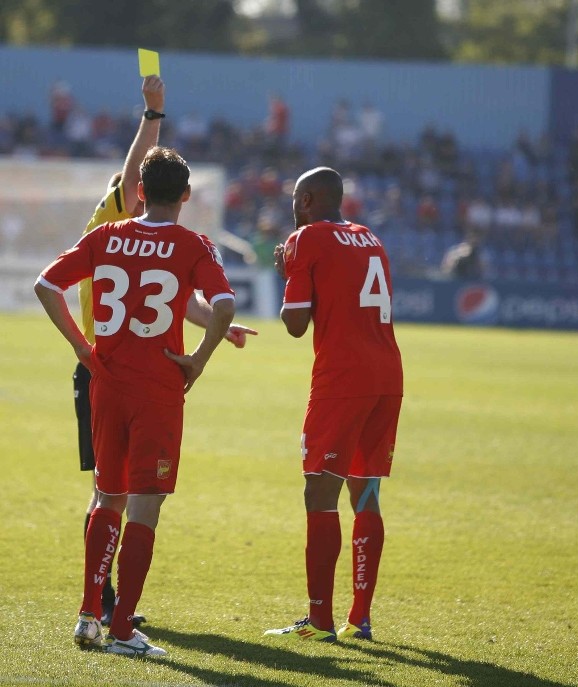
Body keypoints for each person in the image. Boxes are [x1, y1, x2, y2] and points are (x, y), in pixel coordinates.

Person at [35, 146, 236, 657]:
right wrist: (199, 359)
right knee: (146, 502)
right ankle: (122, 629)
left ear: (140, 192)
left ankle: (88, 617)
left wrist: (83, 348)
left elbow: (46, 284)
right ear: (186, 196)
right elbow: (225, 304)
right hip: (159, 387)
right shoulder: (195, 245)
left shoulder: (106, 235)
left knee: (108, 495)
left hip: (108, 381)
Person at [73, 75, 257, 630]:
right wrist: (153, 115)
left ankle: (100, 603)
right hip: (111, 367)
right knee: (114, 492)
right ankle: (102, 601)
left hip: (117, 365)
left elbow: (174, 301)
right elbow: (135, 177)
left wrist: (218, 328)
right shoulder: (116, 216)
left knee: (117, 491)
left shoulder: (126, 237)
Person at [265, 167, 403, 642]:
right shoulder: (370, 237)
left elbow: (296, 323)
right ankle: (359, 619)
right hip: (387, 375)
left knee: (319, 495)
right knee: (365, 494)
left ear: (306, 199)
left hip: (342, 380)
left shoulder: (305, 239)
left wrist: (288, 273)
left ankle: (320, 620)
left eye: (293, 196)